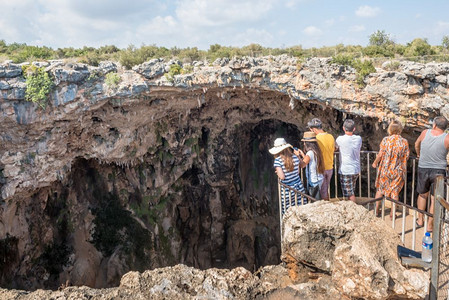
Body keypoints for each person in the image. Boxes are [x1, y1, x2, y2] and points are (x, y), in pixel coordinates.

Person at [415, 116, 449, 232]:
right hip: (439, 171)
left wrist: (419, 155)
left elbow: (416, 144)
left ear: (434, 125)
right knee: (435, 199)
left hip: (423, 167)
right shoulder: (447, 138)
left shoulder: (425, 133)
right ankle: (430, 225)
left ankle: (420, 220)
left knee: (422, 195)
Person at [372, 120, 410, 217]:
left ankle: (376, 211)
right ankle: (393, 214)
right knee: (395, 192)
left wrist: (375, 162)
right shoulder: (404, 142)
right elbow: (407, 156)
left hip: (385, 169)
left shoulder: (385, 140)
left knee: (380, 190)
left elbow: (380, 154)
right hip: (397, 171)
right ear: (400, 129)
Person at [269, 137, 306, 215]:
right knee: (301, 208)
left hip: (287, 190)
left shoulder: (278, 161)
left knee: (289, 211)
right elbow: (298, 172)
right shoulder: (295, 157)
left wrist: (278, 173)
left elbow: (282, 177)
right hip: (299, 187)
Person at [307, 118, 335, 200]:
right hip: (330, 167)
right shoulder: (331, 136)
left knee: (323, 191)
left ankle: (326, 208)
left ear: (314, 129)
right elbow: (334, 148)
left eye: (310, 129)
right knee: (325, 189)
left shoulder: (316, 139)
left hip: (321, 168)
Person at [335, 119, 362, 202]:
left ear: (343, 128)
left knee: (349, 193)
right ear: (354, 129)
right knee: (351, 189)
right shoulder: (358, 138)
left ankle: (354, 210)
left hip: (346, 170)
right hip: (356, 169)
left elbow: (335, 148)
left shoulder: (340, 139)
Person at [295, 131, 325, 200]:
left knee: (315, 200)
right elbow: (309, 159)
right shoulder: (317, 151)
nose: (304, 144)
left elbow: (302, 165)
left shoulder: (310, 153)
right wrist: (302, 154)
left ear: (307, 143)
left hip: (314, 181)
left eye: (304, 142)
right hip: (319, 178)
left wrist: (298, 156)